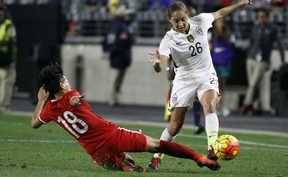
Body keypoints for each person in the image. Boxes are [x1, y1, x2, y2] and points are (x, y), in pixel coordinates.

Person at [31, 63, 221, 173]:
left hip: (96, 153)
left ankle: (126, 165)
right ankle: (198, 157)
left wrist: (41, 101)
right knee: (157, 145)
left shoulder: (49, 110)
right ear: (62, 85)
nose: (67, 82)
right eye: (65, 80)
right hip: (113, 136)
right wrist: (73, 101)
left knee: (124, 162)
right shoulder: (71, 94)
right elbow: (72, 100)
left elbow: (34, 124)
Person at [148, 0, 253, 170]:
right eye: (176, 21)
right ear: (170, 21)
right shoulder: (168, 39)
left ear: (188, 15)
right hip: (184, 79)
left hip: (206, 75)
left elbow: (220, 13)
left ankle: (212, 148)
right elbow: (163, 63)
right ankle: (157, 156)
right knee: (174, 127)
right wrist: (158, 65)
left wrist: (240, 4)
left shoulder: (201, 21)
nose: (180, 24)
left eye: (183, 19)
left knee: (210, 105)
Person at [242, 8, 285, 115]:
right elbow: (252, 42)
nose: (260, 19)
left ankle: (246, 104)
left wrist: (282, 58)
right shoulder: (255, 28)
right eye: (259, 16)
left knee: (252, 84)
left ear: (267, 17)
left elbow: (279, 43)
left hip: (263, 60)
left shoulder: (273, 29)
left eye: (263, 17)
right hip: (251, 58)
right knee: (253, 84)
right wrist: (248, 56)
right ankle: (256, 106)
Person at [102, 5, 135, 107]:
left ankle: (115, 98)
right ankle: (112, 99)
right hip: (119, 56)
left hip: (119, 56)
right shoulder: (120, 26)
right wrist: (110, 52)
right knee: (115, 79)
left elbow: (107, 40)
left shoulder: (116, 25)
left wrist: (107, 51)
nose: (127, 15)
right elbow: (119, 41)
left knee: (117, 80)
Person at [209, 18, 235, 117]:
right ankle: (215, 106)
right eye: (219, 22)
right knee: (215, 86)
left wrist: (227, 59)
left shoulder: (229, 35)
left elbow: (232, 49)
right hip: (215, 63)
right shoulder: (211, 35)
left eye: (222, 22)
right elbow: (209, 49)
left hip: (225, 63)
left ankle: (222, 106)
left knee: (222, 86)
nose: (220, 24)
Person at [0, 7, 17, 112]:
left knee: (6, 83)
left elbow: (10, 43)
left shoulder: (8, 25)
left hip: (6, 59)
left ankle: (4, 106)